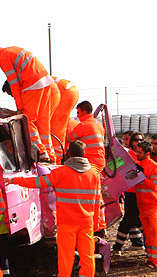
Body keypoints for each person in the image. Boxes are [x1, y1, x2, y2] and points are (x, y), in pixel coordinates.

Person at [5, 140, 101, 277]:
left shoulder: (62, 172)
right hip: (86, 223)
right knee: (87, 258)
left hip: (66, 223)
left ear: (69, 154)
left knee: (65, 259)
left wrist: (14, 181)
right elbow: (97, 201)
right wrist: (96, 224)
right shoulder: (93, 174)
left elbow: (38, 183)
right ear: (84, 154)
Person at [0, 45, 54, 161]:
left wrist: (19, 107)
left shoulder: (3, 58)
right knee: (42, 122)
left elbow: (13, 84)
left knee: (26, 119)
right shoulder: (13, 49)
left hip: (31, 83)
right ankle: (50, 155)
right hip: (45, 80)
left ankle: (41, 152)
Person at [66, 101, 106, 235]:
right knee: (96, 192)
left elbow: (69, 138)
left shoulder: (84, 125)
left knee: (92, 194)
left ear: (83, 111)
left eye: (78, 113)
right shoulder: (97, 124)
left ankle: (97, 226)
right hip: (99, 161)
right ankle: (100, 225)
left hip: (91, 161)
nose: (77, 116)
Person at [113, 132, 146, 254]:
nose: (138, 142)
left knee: (136, 218)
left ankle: (141, 243)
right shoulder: (128, 155)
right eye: (136, 140)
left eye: (141, 140)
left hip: (143, 193)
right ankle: (117, 246)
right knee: (130, 218)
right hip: (131, 192)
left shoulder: (143, 156)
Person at [134, 141, 157, 268]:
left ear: (147, 153)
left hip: (152, 206)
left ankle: (155, 261)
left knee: (154, 234)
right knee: (148, 234)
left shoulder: (155, 168)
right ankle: (150, 258)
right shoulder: (139, 165)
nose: (137, 154)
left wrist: (141, 175)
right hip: (143, 206)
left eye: (139, 152)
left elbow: (154, 185)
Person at [50, 77, 79, 164]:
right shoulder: (76, 124)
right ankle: (58, 160)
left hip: (65, 92)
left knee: (54, 127)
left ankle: (57, 162)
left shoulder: (27, 89)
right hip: (70, 90)